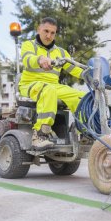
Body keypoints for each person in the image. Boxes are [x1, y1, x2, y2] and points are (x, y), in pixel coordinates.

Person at [19, 17, 85, 150]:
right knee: (49, 90)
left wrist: (91, 74)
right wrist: (40, 59)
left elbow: (76, 69)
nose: (49, 36)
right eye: (46, 31)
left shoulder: (61, 52)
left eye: (52, 33)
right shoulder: (29, 45)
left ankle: (84, 133)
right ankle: (40, 135)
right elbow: (27, 59)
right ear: (39, 30)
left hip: (53, 86)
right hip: (30, 85)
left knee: (81, 97)